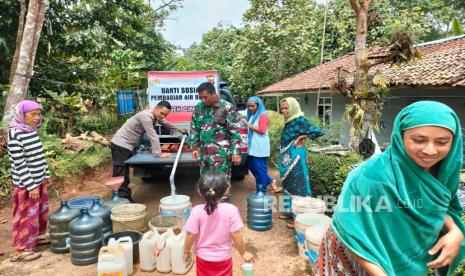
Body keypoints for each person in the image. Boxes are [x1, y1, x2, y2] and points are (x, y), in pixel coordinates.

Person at [317, 101, 465, 276]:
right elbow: (350, 231)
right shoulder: (369, 177)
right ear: (400, 137)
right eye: (419, 140)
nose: (430, 150)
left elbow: (430, 208)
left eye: (442, 142)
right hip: (357, 260)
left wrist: (455, 231)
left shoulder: (441, 174)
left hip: (406, 261)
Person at [110, 100, 184, 202]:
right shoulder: (146, 116)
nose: (163, 116)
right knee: (120, 172)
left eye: (165, 115)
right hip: (120, 144)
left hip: (127, 145)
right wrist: (159, 153)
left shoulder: (155, 115)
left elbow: (165, 123)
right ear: (156, 108)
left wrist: (179, 130)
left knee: (124, 172)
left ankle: (123, 197)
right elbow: (152, 135)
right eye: (161, 113)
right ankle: (121, 199)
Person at [183, 172, 255, 276]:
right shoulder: (231, 210)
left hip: (203, 258)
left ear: (199, 191)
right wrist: (243, 253)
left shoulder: (196, 211)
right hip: (223, 258)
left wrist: (186, 251)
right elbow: (235, 235)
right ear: (227, 190)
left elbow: (191, 235)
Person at [7, 100, 50, 262]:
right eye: (33, 114)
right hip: (26, 185)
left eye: (38, 114)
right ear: (21, 115)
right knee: (26, 216)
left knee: (40, 213)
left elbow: (39, 155)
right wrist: (30, 185)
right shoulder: (15, 134)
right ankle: (21, 250)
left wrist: (46, 174)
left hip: (39, 181)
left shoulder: (31, 130)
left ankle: (35, 238)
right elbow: (19, 163)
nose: (37, 118)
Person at [277, 97, 324, 228]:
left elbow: (318, 131)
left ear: (293, 108)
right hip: (287, 156)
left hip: (296, 156)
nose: (284, 111)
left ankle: (299, 217)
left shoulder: (300, 120)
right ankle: (288, 212)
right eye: (283, 108)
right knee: (287, 183)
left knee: (298, 185)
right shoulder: (290, 120)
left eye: (287, 108)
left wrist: (301, 137)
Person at [189, 82, 242, 186]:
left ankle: (223, 202)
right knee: (205, 184)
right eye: (200, 98)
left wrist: (236, 152)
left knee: (221, 185)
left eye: (205, 97)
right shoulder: (198, 108)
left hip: (221, 156)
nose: (203, 100)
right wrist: (194, 147)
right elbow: (194, 129)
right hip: (204, 155)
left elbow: (235, 131)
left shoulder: (227, 108)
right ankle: (209, 202)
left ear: (213, 94)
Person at [241, 96, 281, 193]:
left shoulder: (263, 115)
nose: (250, 108)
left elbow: (262, 131)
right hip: (252, 147)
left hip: (260, 147)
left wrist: (247, 124)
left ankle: (261, 191)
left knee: (260, 170)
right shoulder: (253, 115)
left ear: (258, 106)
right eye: (248, 106)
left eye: (252, 106)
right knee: (250, 165)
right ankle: (271, 181)